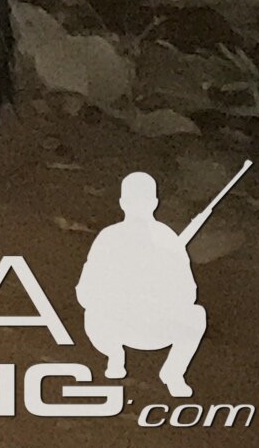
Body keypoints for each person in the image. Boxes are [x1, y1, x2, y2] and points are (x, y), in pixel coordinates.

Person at [77, 169, 211, 399]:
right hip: (115, 325)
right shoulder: (109, 238)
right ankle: (114, 355)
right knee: (92, 314)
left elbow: (188, 293)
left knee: (196, 315)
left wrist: (158, 290)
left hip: (155, 327)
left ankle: (173, 372)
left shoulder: (168, 240)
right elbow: (86, 291)